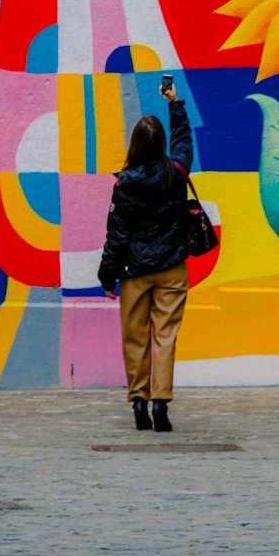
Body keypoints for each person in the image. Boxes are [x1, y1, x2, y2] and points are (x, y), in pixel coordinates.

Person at [98, 83, 192, 432]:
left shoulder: (125, 184)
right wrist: (175, 104)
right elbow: (184, 142)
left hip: (135, 271)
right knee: (165, 336)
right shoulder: (176, 172)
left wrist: (107, 277)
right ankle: (161, 404)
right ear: (161, 146)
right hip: (172, 268)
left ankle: (138, 401)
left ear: (135, 145)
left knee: (135, 337)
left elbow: (116, 236)